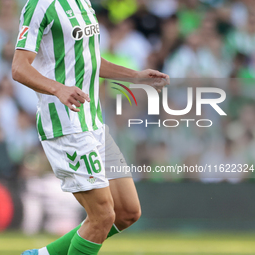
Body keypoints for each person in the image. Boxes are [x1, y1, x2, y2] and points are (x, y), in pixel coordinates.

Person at [12, 0, 170, 254]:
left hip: (93, 121)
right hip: (67, 124)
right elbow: (19, 68)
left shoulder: (84, 3)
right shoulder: (40, 5)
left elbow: (90, 59)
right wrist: (58, 88)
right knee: (102, 216)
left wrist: (135, 76)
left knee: (127, 212)